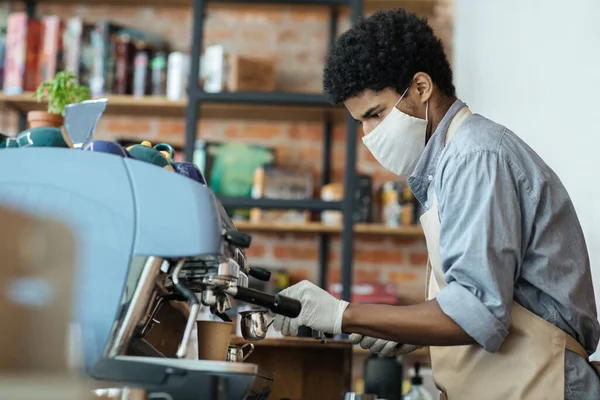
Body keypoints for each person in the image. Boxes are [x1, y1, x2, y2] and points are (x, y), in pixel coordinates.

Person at [271, 8, 600, 400]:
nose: (369, 135)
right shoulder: (446, 165)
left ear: (422, 87)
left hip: (542, 384)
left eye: (376, 114)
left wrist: (342, 314)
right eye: (360, 122)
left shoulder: (475, 157)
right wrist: (405, 332)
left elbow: (477, 311)